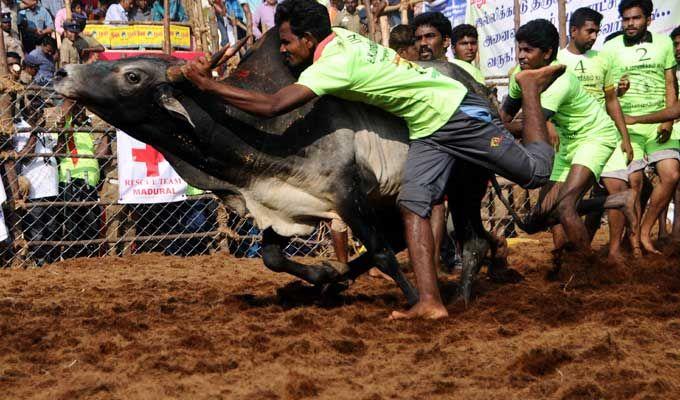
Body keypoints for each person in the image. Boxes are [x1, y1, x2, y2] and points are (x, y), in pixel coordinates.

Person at [183, 0, 561, 319]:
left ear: (310, 39)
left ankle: (530, 88)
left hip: (453, 111)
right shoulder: (342, 37)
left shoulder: (333, 66)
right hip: (425, 126)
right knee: (414, 204)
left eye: (286, 42)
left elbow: (271, 105)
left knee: (534, 173)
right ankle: (430, 303)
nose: (282, 50)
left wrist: (207, 84)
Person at [501, 19, 638, 260]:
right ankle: (618, 199)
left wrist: (500, 131)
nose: (521, 56)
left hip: (594, 137)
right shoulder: (519, 76)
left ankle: (585, 270)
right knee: (536, 221)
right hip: (566, 143)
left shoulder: (560, 81)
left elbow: (532, 131)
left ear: (547, 54)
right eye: (519, 49)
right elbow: (504, 119)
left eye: (528, 50)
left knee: (565, 207)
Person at [555, 7, 636, 263]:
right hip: (569, 138)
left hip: (603, 134)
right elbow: (546, 102)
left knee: (617, 186)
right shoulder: (556, 61)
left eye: (597, 32)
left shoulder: (603, 59)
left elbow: (612, 100)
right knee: (560, 198)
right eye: (589, 31)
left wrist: (624, 136)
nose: (593, 36)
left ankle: (613, 251)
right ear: (573, 30)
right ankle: (563, 253)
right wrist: (549, 130)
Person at [599, 0, 678, 254]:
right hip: (627, 125)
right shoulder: (610, 47)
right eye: (625, 19)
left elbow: (670, 85)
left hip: (658, 125)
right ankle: (631, 240)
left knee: (671, 175)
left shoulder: (664, 43)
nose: (630, 24)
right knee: (633, 182)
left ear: (648, 19)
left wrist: (667, 120)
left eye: (635, 18)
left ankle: (645, 232)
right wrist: (619, 94)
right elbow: (606, 94)